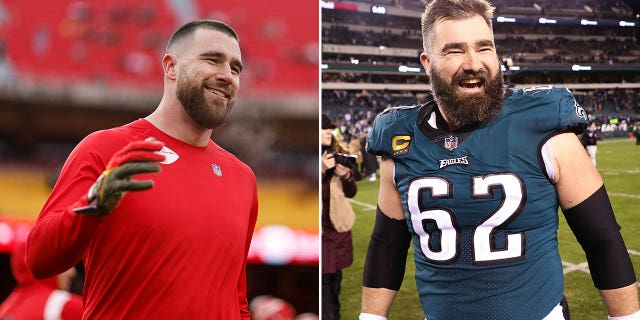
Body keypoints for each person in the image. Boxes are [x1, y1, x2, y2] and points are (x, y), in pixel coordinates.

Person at [360, 1, 640, 319]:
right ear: (427, 62)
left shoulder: (543, 125)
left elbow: (601, 237)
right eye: (454, 50)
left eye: (484, 47)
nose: (473, 63)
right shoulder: (399, 139)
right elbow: (387, 245)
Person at [26, 19, 258, 319]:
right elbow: (39, 260)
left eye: (235, 68)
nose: (227, 75)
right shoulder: (104, 149)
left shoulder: (243, 178)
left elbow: (236, 299)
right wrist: (92, 208)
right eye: (213, 60)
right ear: (171, 67)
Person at [321, 114, 358, 320]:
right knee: (324, 293)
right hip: (321, 235)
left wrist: (346, 176)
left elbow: (351, 192)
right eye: (323, 127)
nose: (328, 131)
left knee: (334, 290)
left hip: (336, 233)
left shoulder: (335, 155)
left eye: (329, 128)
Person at [0, 240, 83, 320]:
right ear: (46, 262)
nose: (72, 272)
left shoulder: (4, 310)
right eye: (65, 263)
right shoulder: (65, 305)